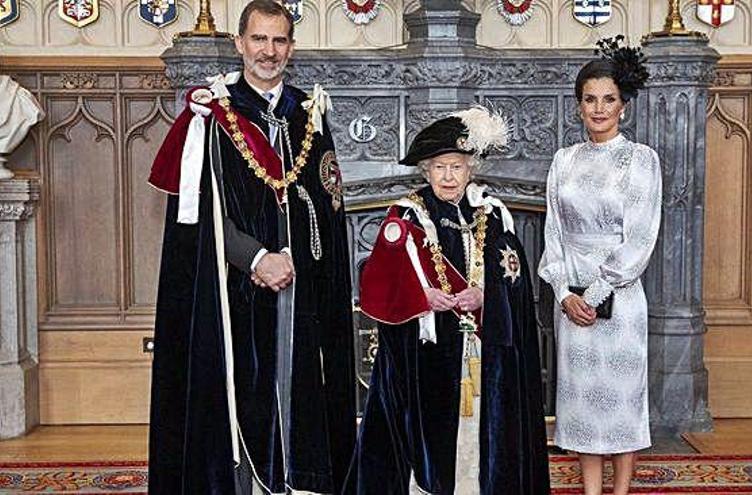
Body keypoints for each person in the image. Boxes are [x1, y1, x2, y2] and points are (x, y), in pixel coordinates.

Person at [146, 1, 355, 493]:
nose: (269, 51)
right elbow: (197, 218)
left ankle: (298, 481)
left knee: (304, 391)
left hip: (301, 289)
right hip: (233, 290)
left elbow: (327, 202)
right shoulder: (213, 116)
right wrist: (258, 259)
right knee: (242, 397)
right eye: (259, 39)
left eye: (279, 40)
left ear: (291, 47)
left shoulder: (309, 112)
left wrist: (297, 261)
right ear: (239, 43)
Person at [343, 107, 550, 495]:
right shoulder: (406, 217)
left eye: (456, 166)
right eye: (440, 167)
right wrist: (420, 296)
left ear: (470, 168)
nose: (449, 176)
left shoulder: (493, 214)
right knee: (431, 442)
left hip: (484, 353)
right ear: (426, 171)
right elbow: (376, 285)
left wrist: (486, 295)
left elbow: (518, 283)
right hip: (426, 355)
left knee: (482, 438)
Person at [538, 36, 660, 495]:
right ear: (578, 105)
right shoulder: (563, 160)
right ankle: (591, 491)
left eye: (608, 99)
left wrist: (594, 294)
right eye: (590, 99)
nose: (599, 108)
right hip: (571, 301)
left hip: (620, 302)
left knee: (623, 405)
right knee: (583, 407)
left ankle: (622, 491)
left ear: (623, 106)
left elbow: (640, 238)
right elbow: (553, 235)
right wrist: (564, 294)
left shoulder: (640, 160)